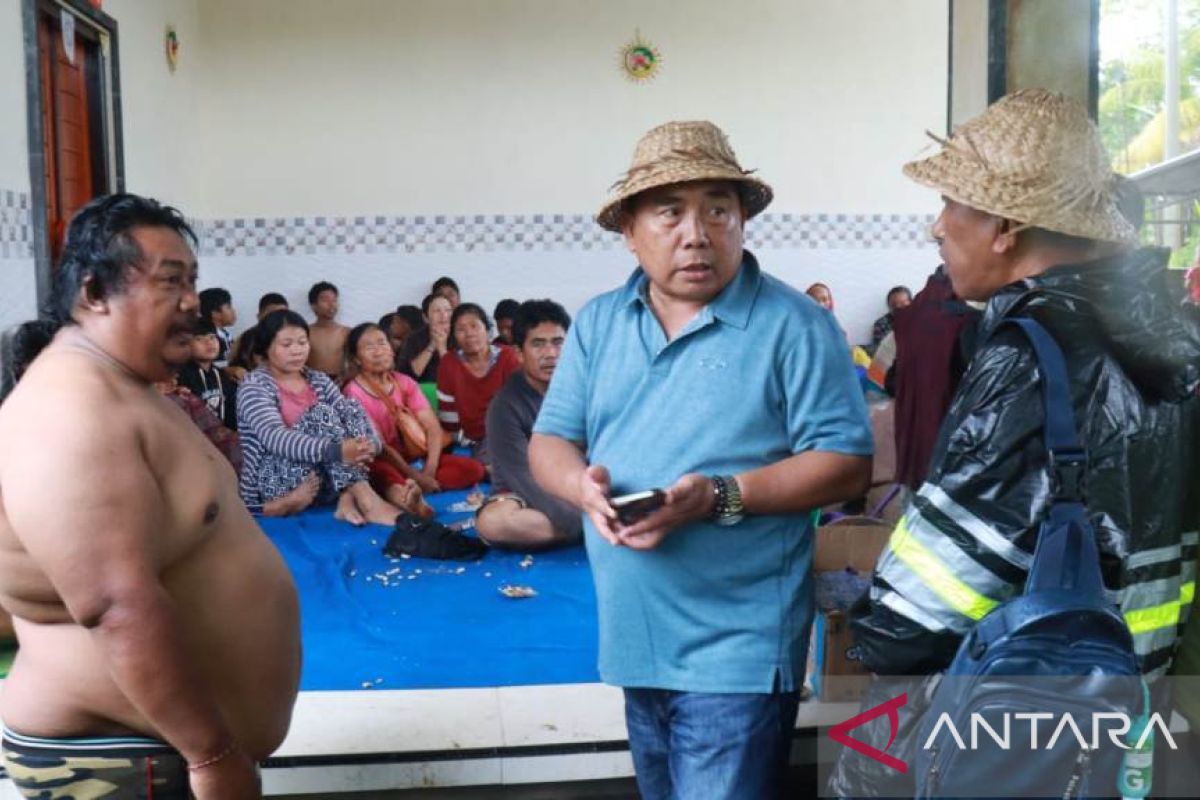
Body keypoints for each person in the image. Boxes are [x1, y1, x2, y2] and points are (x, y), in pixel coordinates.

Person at [830, 90, 1200, 797]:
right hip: (1126, 700)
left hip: (1006, 718)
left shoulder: (1031, 352)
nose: (938, 226)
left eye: (951, 203)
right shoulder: (1168, 346)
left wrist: (871, 630)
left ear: (1004, 222)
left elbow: (929, 600)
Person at [528, 121, 873, 800]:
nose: (697, 232)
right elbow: (550, 441)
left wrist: (717, 496)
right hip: (634, 635)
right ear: (630, 230)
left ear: (742, 221)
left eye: (718, 208)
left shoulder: (793, 325)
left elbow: (845, 462)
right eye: (670, 211)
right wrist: (582, 486)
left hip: (737, 647)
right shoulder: (600, 322)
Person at [0, 193, 299, 799]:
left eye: (193, 280)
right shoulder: (70, 411)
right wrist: (213, 756)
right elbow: (114, 605)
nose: (193, 302)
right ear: (94, 293)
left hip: (156, 750)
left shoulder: (122, 387)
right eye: (170, 282)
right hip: (124, 758)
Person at [237, 309, 421, 523]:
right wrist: (338, 450)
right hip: (278, 479)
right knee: (321, 413)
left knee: (350, 407)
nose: (297, 350)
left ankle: (349, 497)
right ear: (266, 348)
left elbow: (354, 418)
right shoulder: (255, 385)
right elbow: (275, 438)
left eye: (302, 342)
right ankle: (365, 500)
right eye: (286, 345)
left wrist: (368, 446)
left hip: (323, 476)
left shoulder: (317, 379)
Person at [477, 300, 581, 550]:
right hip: (526, 494)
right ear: (519, 353)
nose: (551, 354)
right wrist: (589, 520)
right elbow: (525, 477)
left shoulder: (583, 390)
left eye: (558, 342)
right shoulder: (504, 407)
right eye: (538, 344)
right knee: (494, 523)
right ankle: (598, 526)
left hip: (581, 485)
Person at [343, 322, 486, 498]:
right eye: (369, 347)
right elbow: (380, 446)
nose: (378, 351)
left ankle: (412, 489)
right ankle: (406, 490)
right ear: (357, 358)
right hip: (384, 460)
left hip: (416, 455)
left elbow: (432, 427)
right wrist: (415, 476)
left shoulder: (405, 382)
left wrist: (429, 470)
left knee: (474, 470)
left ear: (391, 349)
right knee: (380, 473)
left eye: (382, 343)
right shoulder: (353, 392)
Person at [436, 302, 520, 463]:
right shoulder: (448, 364)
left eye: (475, 326)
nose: (469, 334)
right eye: (461, 329)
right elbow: (448, 418)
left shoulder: (508, 357)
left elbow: (521, 404)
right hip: (473, 440)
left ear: (487, 330)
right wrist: (461, 438)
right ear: (454, 336)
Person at [178, 317, 239, 430]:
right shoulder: (180, 377)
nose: (209, 343)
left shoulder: (223, 376)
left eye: (212, 337)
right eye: (199, 339)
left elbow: (232, 416)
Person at [228, 292, 289, 379]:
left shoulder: (292, 338)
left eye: (281, 314)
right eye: (271, 315)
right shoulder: (246, 338)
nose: (276, 319)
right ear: (259, 316)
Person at [398, 293, 452, 383]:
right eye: (437, 311)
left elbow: (456, 376)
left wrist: (442, 348)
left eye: (448, 310)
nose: (444, 315)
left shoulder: (460, 336)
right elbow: (409, 375)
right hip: (420, 393)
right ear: (425, 317)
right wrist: (432, 345)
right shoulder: (414, 339)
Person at [305, 281, 349, 378]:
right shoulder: (305, 332)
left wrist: (345, 377)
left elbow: (355, 361)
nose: (331, 304)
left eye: (334, 300)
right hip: (312, 382)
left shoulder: (346, 332)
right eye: (325, 300)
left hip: (339, 382)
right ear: (313, 306)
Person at [198, 286, 237, 368]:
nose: (234, 311)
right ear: (215, 313)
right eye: (228, 307)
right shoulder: (206, 336)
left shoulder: (226, 334)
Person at [869, 284, 912, 349]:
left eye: (903, 303)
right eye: (894, 305)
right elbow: (880, 351)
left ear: (911, 302)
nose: (898, 307)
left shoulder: (921, 319)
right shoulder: (881, 324)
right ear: (889, 306)